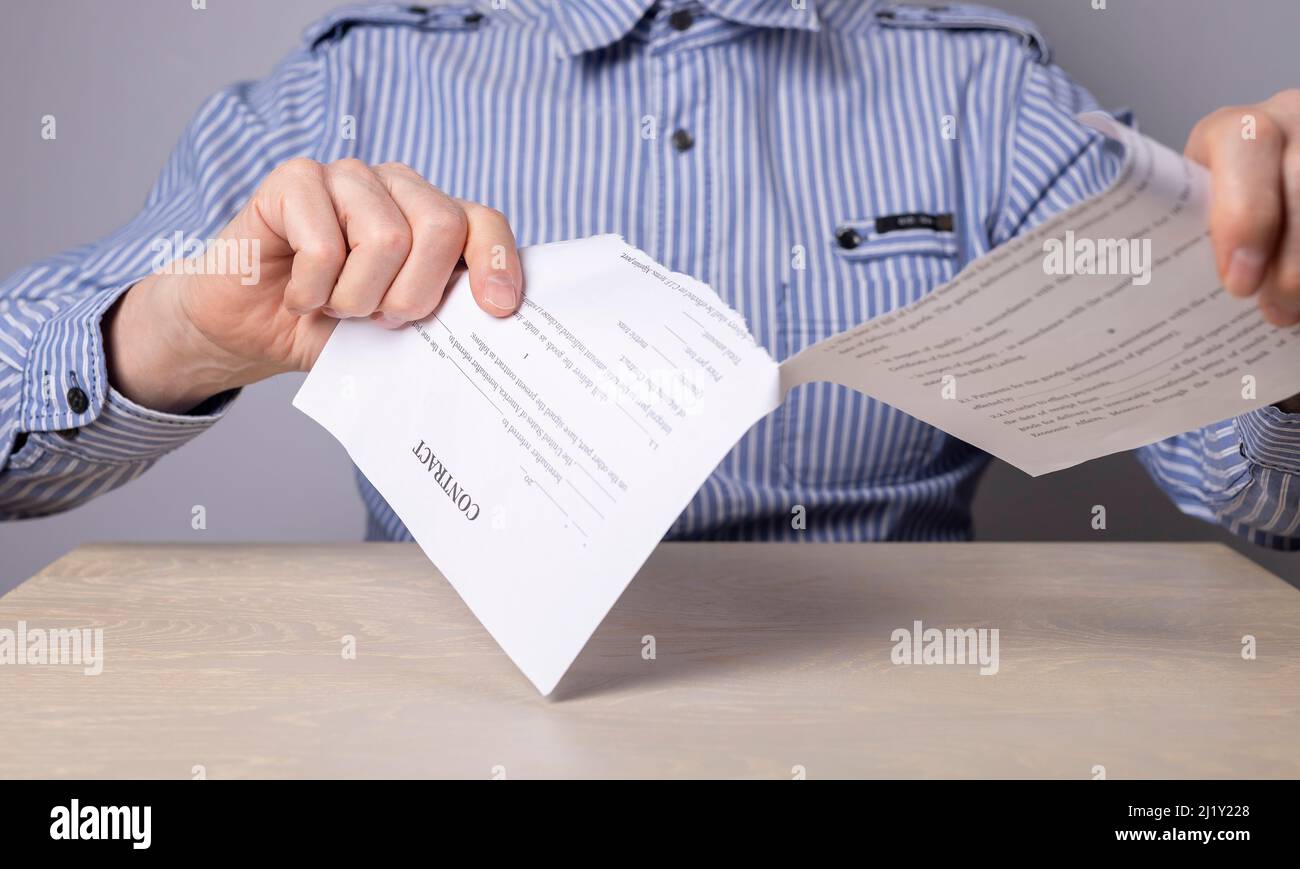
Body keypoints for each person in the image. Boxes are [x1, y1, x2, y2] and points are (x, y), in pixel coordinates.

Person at [3, 0, 1299, 547]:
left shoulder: (980, 92)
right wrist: (165, 337)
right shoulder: (361, 81)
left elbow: (1256, 488)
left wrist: (1281, 326)